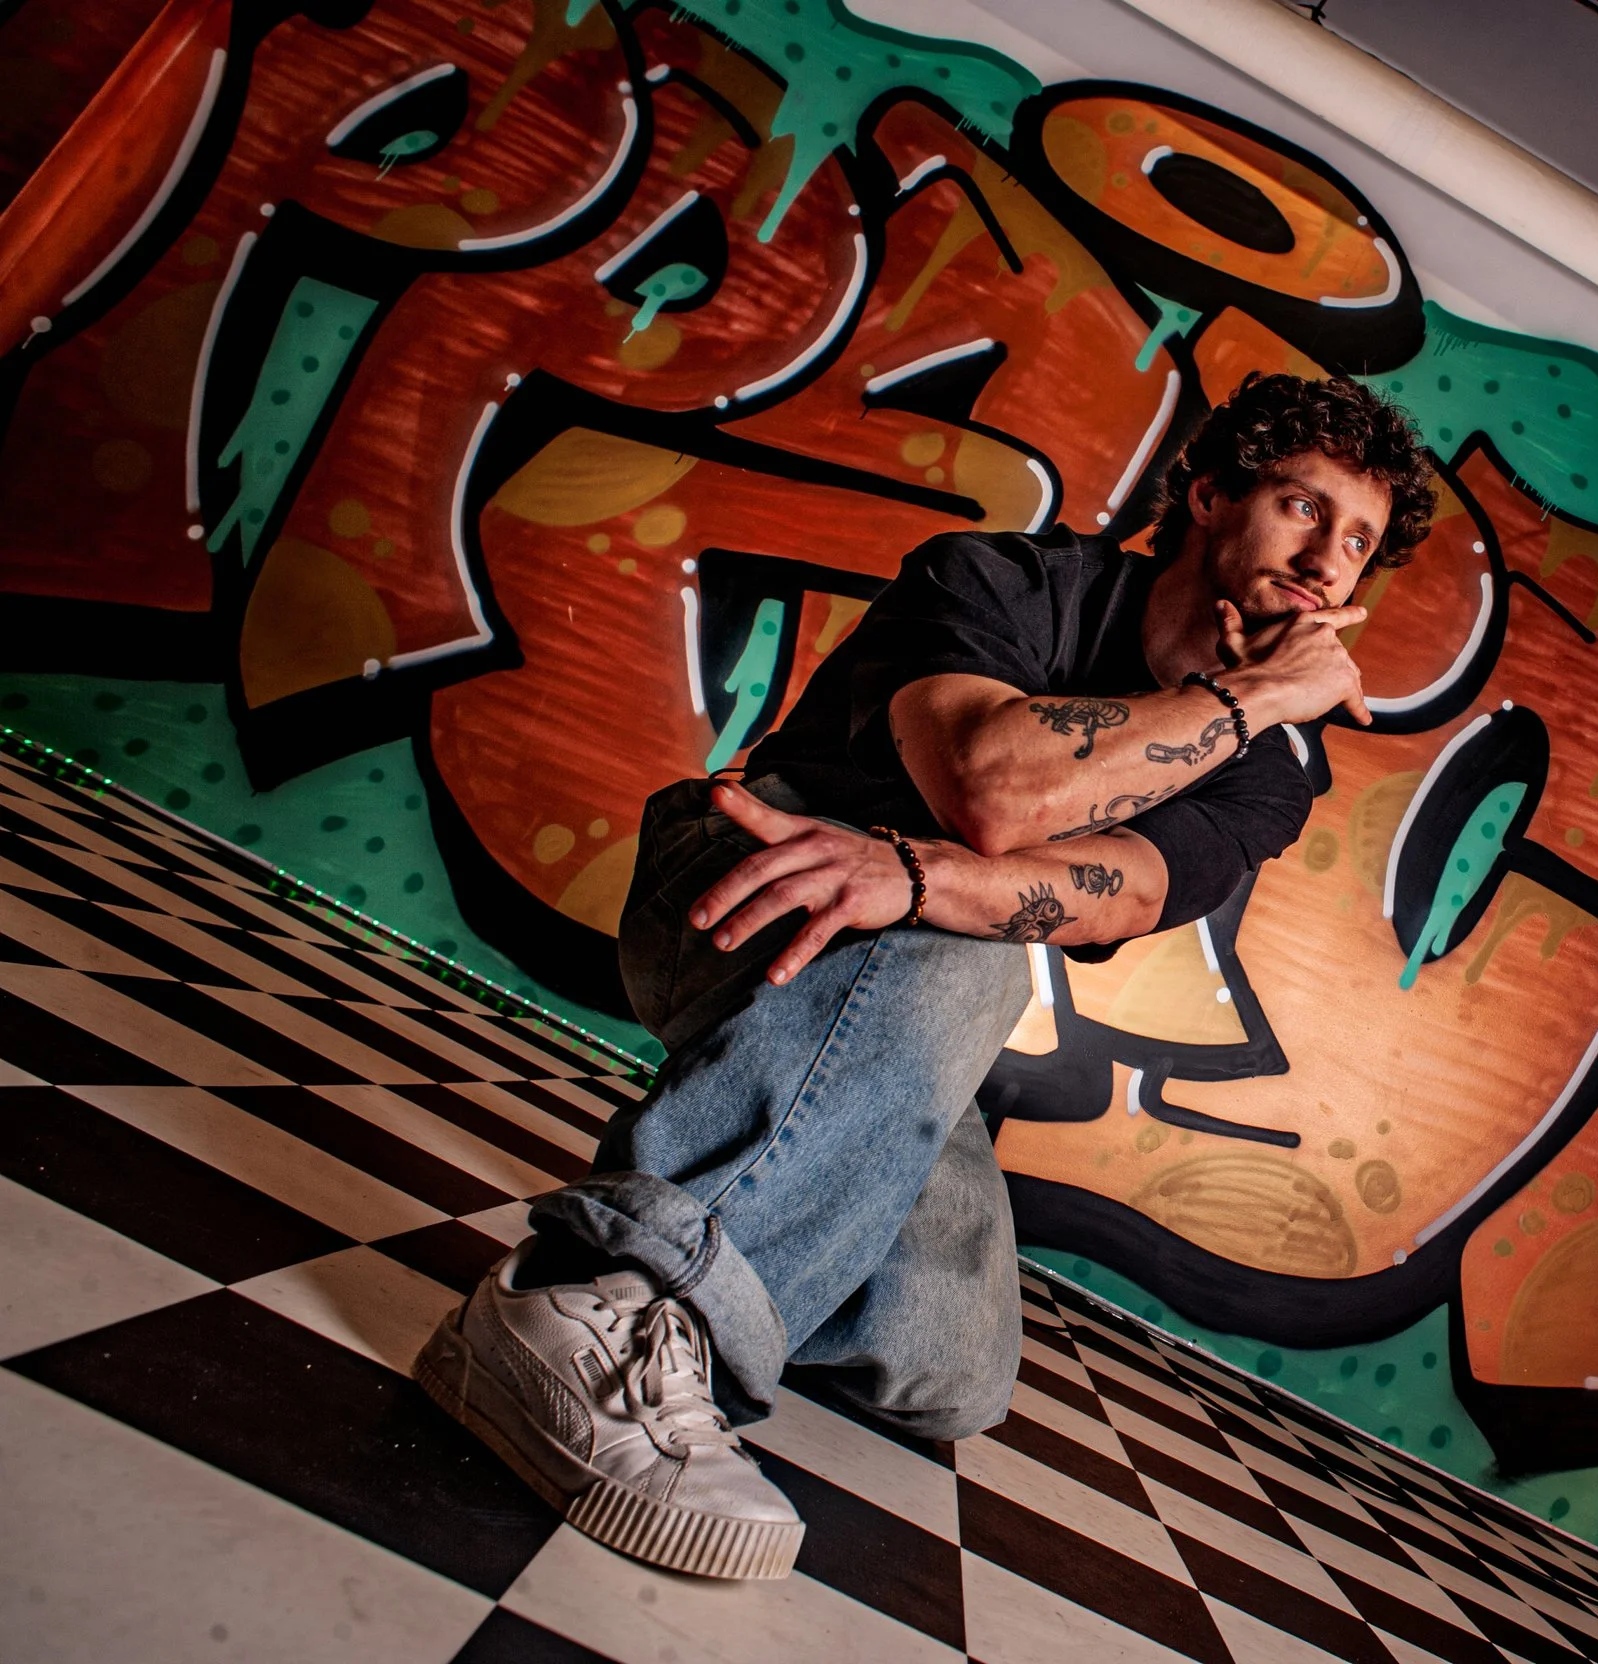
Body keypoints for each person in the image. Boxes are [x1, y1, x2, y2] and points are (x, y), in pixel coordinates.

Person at [416, 373, 1438, 1579]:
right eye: (1302, 507)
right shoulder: (1001, 579)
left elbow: (1129, 889)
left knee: (948, 1364)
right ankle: (608, 1311)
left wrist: (912, 876)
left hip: (888, 997)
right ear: (1210, 495)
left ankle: (745, 1194)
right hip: (743, 882)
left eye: (1360, 540)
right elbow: (992, 793)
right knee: (977, 959)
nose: (1330, 558)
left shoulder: (1268, 777)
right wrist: (1259, 692)